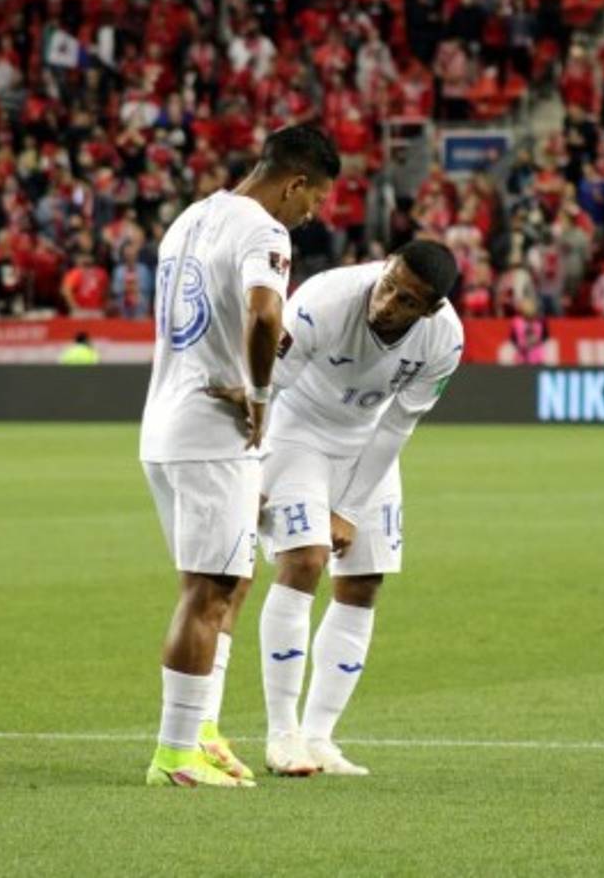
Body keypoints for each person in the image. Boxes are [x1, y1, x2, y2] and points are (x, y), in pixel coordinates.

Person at [137, 125, 339, 789]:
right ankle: (175, 756)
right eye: (311, 202)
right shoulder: (264, 231)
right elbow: (263, 315)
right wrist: (259, 394)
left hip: (165, 421)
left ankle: (199, 729)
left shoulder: (191, 218)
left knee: (229, 577)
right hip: (213, 431)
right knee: (208, 590)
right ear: (295, 182)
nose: (308, 217)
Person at [215, 241, 463, 777]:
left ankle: (320, 737)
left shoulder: (446, 338)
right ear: (386, 264)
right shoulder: (325, 298)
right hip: (298, 431)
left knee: (363, 581)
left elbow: (399, 423)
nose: (388, 301)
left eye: (407, 300)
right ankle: (282, 736)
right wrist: (252, 467)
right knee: (305, 558)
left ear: (431, 309)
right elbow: (268, 386)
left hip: (367, 444)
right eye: (389, 282)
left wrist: (348, 508)